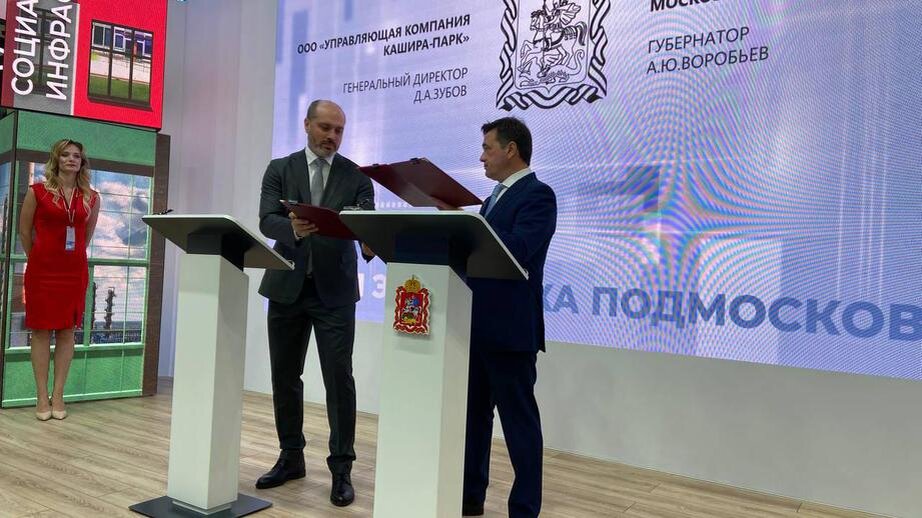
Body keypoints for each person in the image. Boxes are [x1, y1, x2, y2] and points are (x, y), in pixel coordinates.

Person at [256, 99, 374, 507]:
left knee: (339, 380)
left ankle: (341, 469)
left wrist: (374, 239)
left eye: (339, 130)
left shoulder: (357, 176)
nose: (332, 137)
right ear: (306, 124)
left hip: (335, 293)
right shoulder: (280, 168)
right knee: (284, 377)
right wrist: (291, 227)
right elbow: (266, 219)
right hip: (286, 286)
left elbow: (367, 225)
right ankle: (291, 457)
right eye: (325, 127)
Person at [463, 117, 557, 518]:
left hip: (511, 332)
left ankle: (524, 509)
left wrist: (468, 227)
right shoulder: (492, 200)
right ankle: (469, 498)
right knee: (473, 420)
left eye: (487, 148)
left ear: (511, 149)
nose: (481, 157)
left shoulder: (539, 195)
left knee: (519, 425)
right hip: (476, 327)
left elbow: (518, 248)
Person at [18, 139, 100, 421]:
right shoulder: (37, 192)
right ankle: (42, 397)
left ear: (82, 162)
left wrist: (69, 256)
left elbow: (85, 236)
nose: (71, 159)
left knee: (67, 331)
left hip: (73, 272)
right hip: (42, 271)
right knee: (41, 331)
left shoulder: (91, 197)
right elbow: (24, 232)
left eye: (76, 155)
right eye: (65, 154)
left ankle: (59, 394)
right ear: (56, 159)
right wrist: (38, 258)